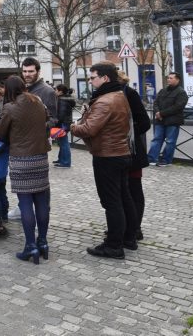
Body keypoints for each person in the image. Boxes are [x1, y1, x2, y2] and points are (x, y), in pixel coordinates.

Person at [71, 62, 137, 260]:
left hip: (107, 156)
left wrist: (74, 126)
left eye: (93, 77)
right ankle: (129, 238)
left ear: (105, 78)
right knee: (124, 197)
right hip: (121, 154)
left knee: (112, 202)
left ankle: (114, 245)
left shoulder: (104, 101)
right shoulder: (119, 96)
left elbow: (89, 129)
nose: (90, 81)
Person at [0, 76, 51, 264]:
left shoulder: (10, 107)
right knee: (42, 201)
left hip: (21, 160)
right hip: (41, 158)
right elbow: (47, 119)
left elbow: (1, 133)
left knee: (26, 203)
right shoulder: (37, 101)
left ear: (9, 90)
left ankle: (31, 246)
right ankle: (43, 242)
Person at [118, 71, 151, 241]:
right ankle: (125, 226)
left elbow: (145, 122)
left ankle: (135, 228)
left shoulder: (130, 94)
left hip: (132, 151)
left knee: (134, 189)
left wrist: (127, 134)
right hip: (118, 152)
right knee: (122, 191)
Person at [148, 72, 188, 167]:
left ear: (177, 80)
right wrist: (157, 112)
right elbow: (155, 103)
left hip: (173, 121)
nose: (168, 79)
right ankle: (151, 158)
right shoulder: (163, 91)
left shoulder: (181, 92)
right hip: (160, 120)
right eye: (168, 78)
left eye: (171, 78)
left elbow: (178, 107)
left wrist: (161, 113)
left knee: (170, 141)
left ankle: (166, 160)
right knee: (156, 139)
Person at [53, 84, 76, 168]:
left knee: (64, 142)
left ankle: (65, 162)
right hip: (66, 123)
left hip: (62, 123)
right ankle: (61, 159)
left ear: (60, 91)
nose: (55, 91)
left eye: (56, 90)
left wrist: (56, 123)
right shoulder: (67, 98)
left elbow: (61, 114)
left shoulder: (62, 100)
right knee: (62, 141)